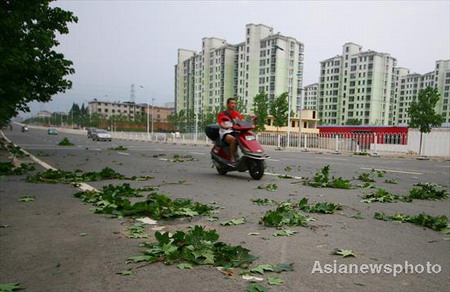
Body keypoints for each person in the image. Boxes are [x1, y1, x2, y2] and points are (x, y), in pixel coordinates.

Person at [217, 98, 243, 165]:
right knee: (233, 139)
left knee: (243, 138)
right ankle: (232, 157)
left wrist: (250, 123)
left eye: (235, 103)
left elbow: (242, 122)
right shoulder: (222, 114)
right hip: (225, 132)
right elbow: (221, 123)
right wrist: (225, 126)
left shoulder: (237, 114)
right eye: (232, 103)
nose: (233, 105)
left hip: (234, 131)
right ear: (227, 104)